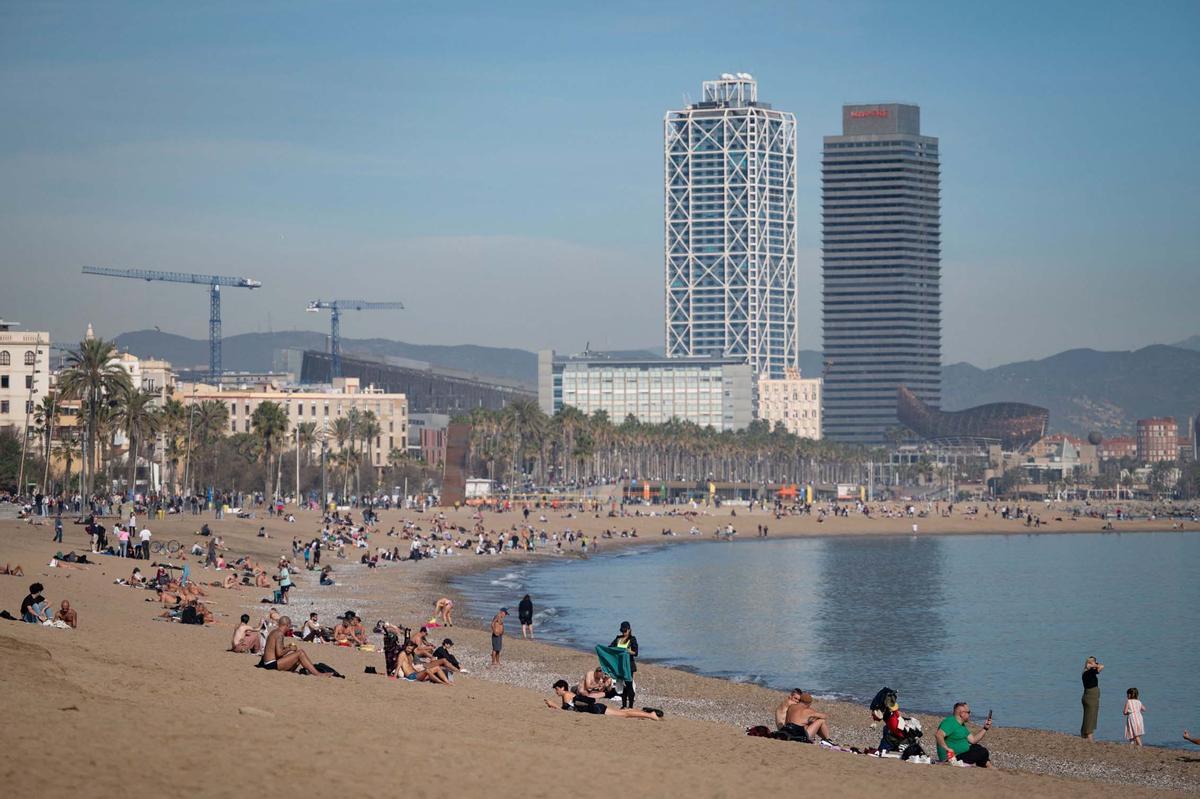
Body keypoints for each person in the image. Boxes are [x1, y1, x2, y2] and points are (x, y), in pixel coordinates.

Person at [545, 680, 662, 720]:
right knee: (625, 712)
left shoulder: (566, 695)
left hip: (597, 709)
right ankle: (647, 714)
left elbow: (566, 711)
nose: (556, 691)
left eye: (556, 689)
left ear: (562, 688)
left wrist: (553, 705)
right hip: (596, 708)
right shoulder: (568, 695)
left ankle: (651, 715)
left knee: (625, 714)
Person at [258, 616, 331, 676]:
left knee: (299, 659)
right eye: (289, 626)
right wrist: (289, 648)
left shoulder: (275, 632)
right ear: (286, 625)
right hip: (271, 664)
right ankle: (318, 674)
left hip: (267, 663)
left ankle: (306, 670)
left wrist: (287, 647)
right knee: (300, 653)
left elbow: (276, 651)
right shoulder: (279, 634)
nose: (290, 628)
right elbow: (279, 653)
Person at [936, 702, 992, 767]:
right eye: (968, 712)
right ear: (962, 713)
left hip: (962, 755)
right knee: (982, 751)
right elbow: (938, 735)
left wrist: (985, 728)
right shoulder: (950, 722)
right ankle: (988, 766)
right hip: (952, 758)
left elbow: (973, 740)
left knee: (977, 747)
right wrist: (947, 748)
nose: (970, 714)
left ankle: (988, 766)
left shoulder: (961, 725)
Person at [610, 621, 639, 709]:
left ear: (629, 629)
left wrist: (627, 651)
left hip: (629, 666)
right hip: (619, 666)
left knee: (629, 684)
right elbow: (610, 648)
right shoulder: (618, 638)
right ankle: (623, 705)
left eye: (625, 630)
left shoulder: (632, 639)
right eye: (622, 631)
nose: (624, 632)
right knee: (622, 685)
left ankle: (630, 706)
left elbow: (635, 653)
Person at [1081, 656, 1104, 739]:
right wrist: (1093, 666)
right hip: (1091, 697)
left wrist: (1093, 666)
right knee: (1091, 716)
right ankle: (1089, 736)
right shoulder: (1089, 672)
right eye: (1094, 662)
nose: (1096, 663)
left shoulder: (1086, 672)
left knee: (1087, 716)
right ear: (1090, 663)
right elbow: (1101, 666)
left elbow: (1101, 667)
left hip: (1088, 696)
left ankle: (1084, 734)